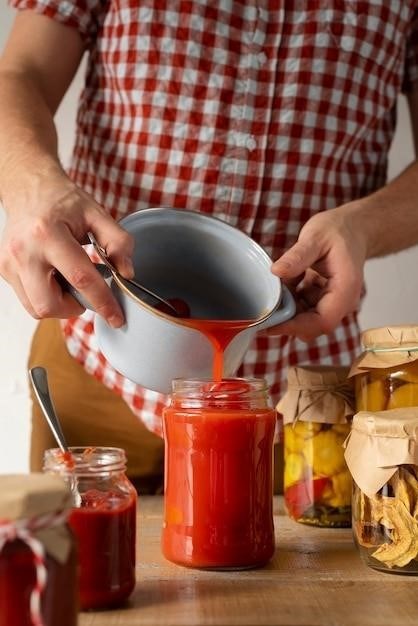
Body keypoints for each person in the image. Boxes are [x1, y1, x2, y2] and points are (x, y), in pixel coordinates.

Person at [0, 2, 417, 492]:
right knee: (78, 562)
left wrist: (362, 227)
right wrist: (32, 186)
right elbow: (20, 72)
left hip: (298, 402)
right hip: (96, 368)